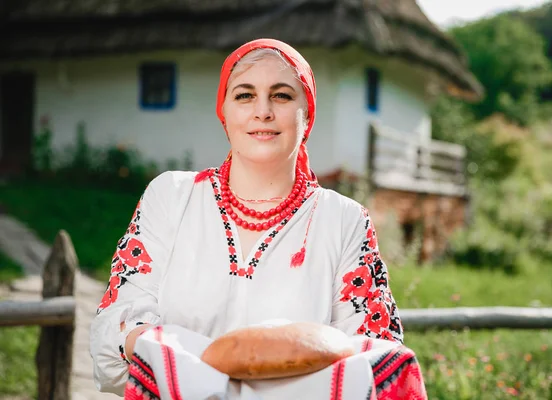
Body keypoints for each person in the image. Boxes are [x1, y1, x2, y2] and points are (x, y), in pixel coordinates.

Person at [90, 38, 427, 400]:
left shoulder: (344, 221)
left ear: (307, 114)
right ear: (224, 112)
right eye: (244, 95)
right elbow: (118, 320)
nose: (262, 111)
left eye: (282, 95)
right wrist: (156, 349)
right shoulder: (171, 196)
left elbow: (370, 350)